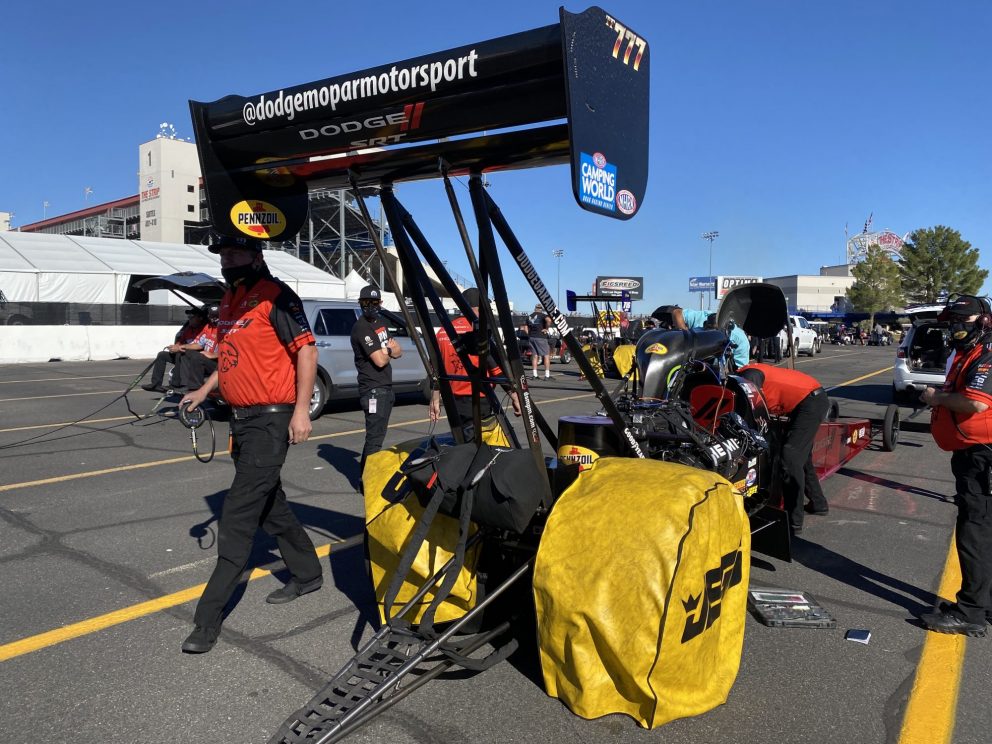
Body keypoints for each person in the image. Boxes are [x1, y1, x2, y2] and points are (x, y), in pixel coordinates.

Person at [179, 236, 322, 654]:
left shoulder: (276, 295)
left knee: (238, 517)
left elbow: (307, 352)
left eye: (236, 254)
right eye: (224, 255)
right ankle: (308, 573)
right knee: (270, 507)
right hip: (241, 423)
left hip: (271, 419)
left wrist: (301, 412)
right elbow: (228, 357)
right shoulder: (230, 301)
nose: (228, 261)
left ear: (256, 257)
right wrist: (204, 391)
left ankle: (207, 620)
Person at [918, 295, 992, 637]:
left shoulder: (987, 354)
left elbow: (975, 404)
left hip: (982, 455)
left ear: (981, 321)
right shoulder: (971, 351)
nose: (954, 330)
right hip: (973, 453)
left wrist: (935, 398)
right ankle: (982, 602)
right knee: (982, 527)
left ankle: (971, 612)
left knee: (974, 530)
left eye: (959, 323)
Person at [738, 362, 829, 533]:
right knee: (801, 458)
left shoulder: (749, 376)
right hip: (803, 402)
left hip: (811, 401)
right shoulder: (747, 374)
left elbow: (752, 413)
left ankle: (793, 522)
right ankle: (819, 503)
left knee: (790, 457)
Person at [430, 287, 521, 435]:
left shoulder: (442, 331)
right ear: (479, 308)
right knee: (480, 447)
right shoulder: (480, 332)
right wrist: (514, 395)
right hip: (479, 399)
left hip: (453, 401)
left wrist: (434, 399)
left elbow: (435, 370)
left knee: (461, 440)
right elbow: (495, 368)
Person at [351, 285, 402, 476]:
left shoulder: (380, 323)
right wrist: (388, 350)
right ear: (361, 304)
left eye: (374, 302)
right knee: (374, 439)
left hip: (385, 387)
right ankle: (367, 481)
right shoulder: (361, 328)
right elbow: (380, 361)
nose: (370, 306)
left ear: (380, 303)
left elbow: (399, 351)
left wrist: (388, 351)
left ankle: (367, 477)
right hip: (373, 389)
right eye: (366, 303)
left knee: (378, 437)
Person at [651, 304, 750, 369]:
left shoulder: (740, 340)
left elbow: (741, 370)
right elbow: (676, 312)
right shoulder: (700, 317)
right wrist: (685, 334)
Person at [141, 306, 207, 392]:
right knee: (162, 355)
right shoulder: (188, 329)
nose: (189, 319)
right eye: (189, 317)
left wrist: (179, 348)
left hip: (196, 358)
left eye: (192, 317)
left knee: (180, 353)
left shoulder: (205, 329)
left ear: (200, 318)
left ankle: (176, 384)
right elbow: (180, 342)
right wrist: (174, 347)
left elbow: (199, 345)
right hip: (184, 354)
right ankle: (156, 384)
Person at [181, 303, 221, 390]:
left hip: (219, 364)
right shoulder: (208, 327)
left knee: (197, 357)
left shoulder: (226, 329)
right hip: (207, 359)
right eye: (212, 316)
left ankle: (195, 389)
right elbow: (199, 344)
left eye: (217, 316)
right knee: (184, 353)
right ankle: (182, 385)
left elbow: (232, 351)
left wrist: (214, 355)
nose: (214, 319)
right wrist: (182, 347)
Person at [527, 303, 553, 380]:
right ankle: (547, 375)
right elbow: (549, 320)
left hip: (531, 337)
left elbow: (525, 327)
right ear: (541, 309)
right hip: (541, 337)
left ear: (535, 309)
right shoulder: (542, 315)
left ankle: (535, 375)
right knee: (546, 355)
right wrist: (546, 329)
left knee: (535, 356)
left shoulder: (529, 316)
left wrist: (529, 335)